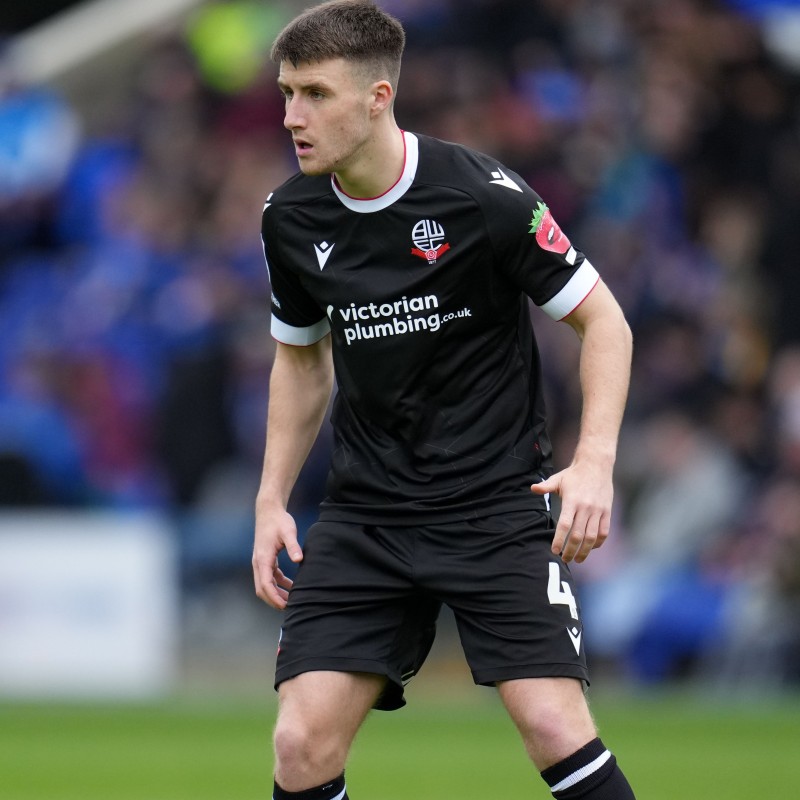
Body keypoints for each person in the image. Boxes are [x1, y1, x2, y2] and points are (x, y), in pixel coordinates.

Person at [253, 2, 636, 799]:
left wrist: (594, 464)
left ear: (378, 97)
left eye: (315, 94)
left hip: (495, 506)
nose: (292, 116)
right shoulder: (290, 217)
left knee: (555, 728)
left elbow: (605, 322)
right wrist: (270, 499)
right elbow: (300, 361)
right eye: (287, 93)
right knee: (300, 745)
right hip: (368, 514)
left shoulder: (481, 197)